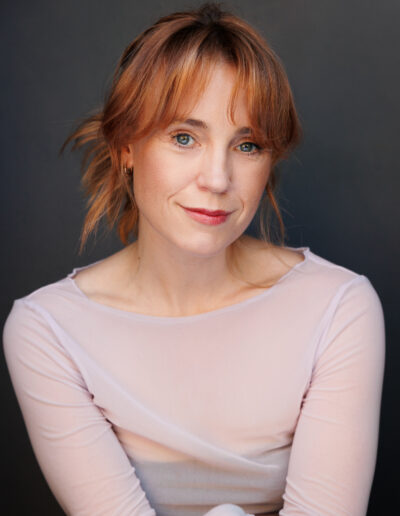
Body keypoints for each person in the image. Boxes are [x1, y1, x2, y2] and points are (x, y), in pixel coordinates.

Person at [2, 3, 385, 516]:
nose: (218, 179)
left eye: (247, 145)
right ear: (126, 148)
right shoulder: (49, 331)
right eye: (184, 137)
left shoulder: (336, 308)